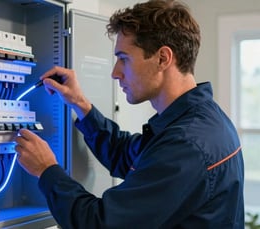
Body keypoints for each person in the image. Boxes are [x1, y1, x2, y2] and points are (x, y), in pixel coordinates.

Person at [14, 0, 245, 228]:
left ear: (163, 58)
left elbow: (99, 223)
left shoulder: (186, 144)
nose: (115, 73)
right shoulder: (199, 122)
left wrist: (47, 170)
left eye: (124, 59)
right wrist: (81, 105)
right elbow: (125, 156)